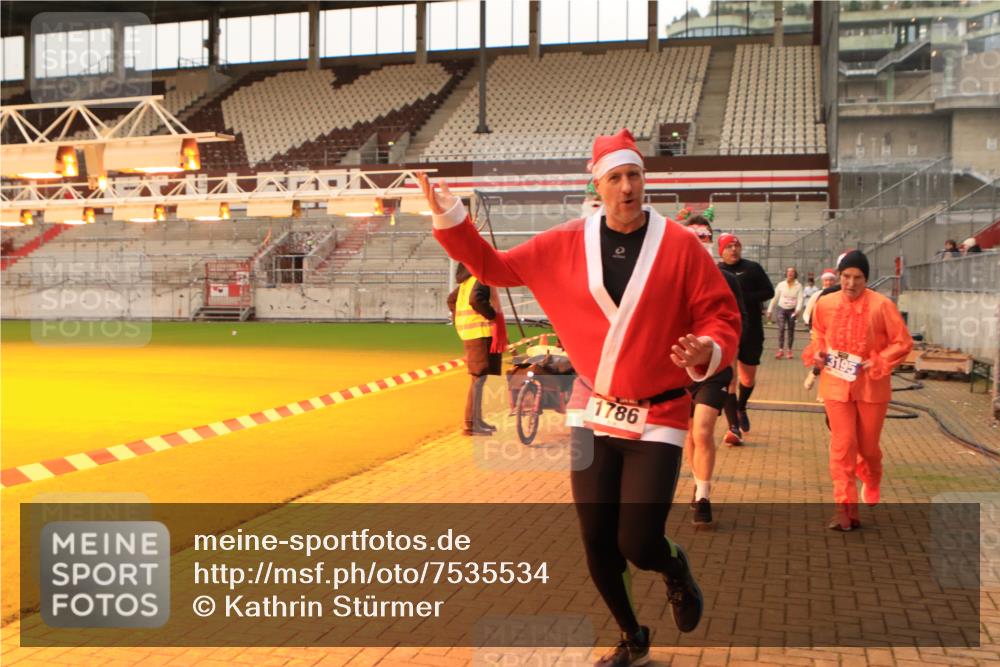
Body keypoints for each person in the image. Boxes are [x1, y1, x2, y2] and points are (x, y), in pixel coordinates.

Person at [417, 128, 741, 667]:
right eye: (615, 178)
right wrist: (451, 216)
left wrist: (708, 348)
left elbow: (721, 314)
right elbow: (495, 267)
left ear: (644, 180)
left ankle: (674, 567)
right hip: (592, 410)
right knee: (597, 540)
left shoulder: (680, 245)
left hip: (658, 413)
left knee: (639, 541)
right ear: (598, 185)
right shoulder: (565, 241)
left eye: (634, 175)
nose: (627, 187)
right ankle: (632, 635)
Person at [803, 250, 913, 531]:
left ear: (866, 279)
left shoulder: (882, 305)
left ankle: (872, 475)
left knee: (868, 447)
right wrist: (818, 353)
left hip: (871, 387)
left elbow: (902, 342)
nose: (851, 283)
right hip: (836, 384)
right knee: (843, 446)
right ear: (839, 276)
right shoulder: (825, 304)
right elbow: (818, 333)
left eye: (858, 278)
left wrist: (879, 360)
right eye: (846, 276)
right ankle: (845, 510)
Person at [680, 209, 745, 527]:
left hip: (715, 368)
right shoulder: (671, 278)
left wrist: (732, 368)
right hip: (680, 368)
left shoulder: (727, 280)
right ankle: (698, 483)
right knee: (690, 436)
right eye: (693, 236)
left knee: (703, 431)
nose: (699, 241)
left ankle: (704, 497)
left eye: (704, 236)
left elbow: (736, 326)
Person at [717, 233, 774, 445]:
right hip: (729, 330)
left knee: (747, 379)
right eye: (729, 246)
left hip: (752, 329)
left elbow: (768, 291)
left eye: (737, 246)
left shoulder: (752, 268)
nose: (734, 249)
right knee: (730, 379)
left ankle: (741, 407)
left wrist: (742, 297)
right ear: (720, 251)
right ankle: (733, 427)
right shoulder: (716, 271)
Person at [447, 262, 506, 435]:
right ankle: (471, 423)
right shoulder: (480, 279)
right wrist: (492, 315)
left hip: (473, 333)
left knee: (480, 379)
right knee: (479, 378)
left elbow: (451, 300)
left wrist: (459, 318)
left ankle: (476, 421)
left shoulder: (467, 282)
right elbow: (476, 300)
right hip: (480, 333)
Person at [767, 267, 804, 360]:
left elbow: (800, 299)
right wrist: (769, 310)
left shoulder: (799, 286)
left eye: (792, 272)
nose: (790, 273)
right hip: (781, 309)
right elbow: (775, 298)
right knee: (781, 328)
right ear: (786, 273)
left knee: (791, 330)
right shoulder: (781, 285)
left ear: (795, 274)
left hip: (792, 310)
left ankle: (789, 350)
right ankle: (780, 350)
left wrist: (798, 309)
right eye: (788, 271)